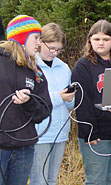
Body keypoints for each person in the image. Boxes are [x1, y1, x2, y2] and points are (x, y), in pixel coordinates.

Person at [71, 19, 111, 185]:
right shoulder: (83, 66)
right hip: (96, 135)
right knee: (96, 180)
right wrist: (90, 132)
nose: (101, 43)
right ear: (90, 40)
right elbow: (82, 101)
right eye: (97, 39)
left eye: (106, 39)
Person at [0, 15, 52, 185]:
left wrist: (28, 102)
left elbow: (44, 111)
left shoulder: (35, 71)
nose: (39, 43)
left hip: (24, 149)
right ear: (21, 37)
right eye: (36, 38)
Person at [30, 23, 75, 185]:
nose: (55, 53)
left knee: (51, 180)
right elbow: (33, 100)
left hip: (60, 132)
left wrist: (71, 98)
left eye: (59, 50)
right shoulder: (30, 66)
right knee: (39, 181)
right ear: (40, 42)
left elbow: (70, 105)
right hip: (40, 134)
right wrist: (59, 97)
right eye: (52, 48)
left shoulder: (64, 68)